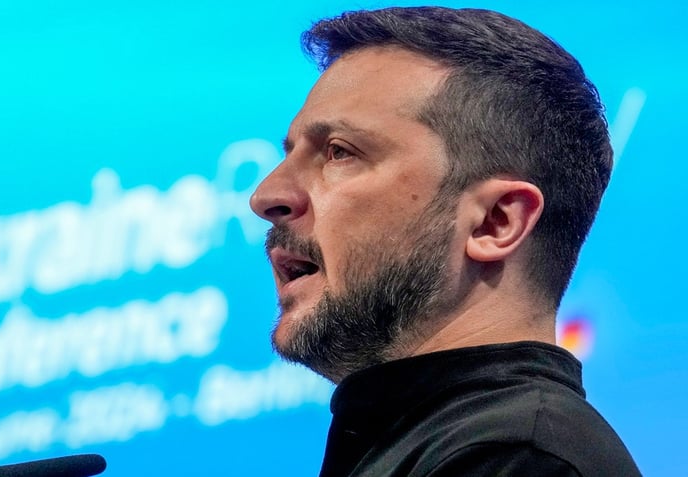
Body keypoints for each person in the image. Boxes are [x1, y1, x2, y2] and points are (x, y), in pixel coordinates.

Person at [249, 6, 641, 477]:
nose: (266, 196)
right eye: (289, 153)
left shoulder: (515, 460)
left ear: (495, 222)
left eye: (339, 152)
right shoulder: (429, 445)